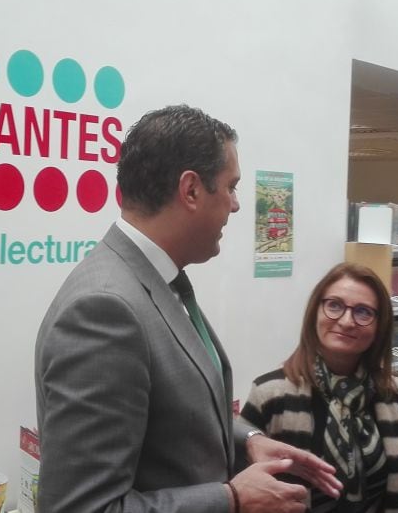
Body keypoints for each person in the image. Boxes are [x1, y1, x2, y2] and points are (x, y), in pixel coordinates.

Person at [34, 105, 342, 513]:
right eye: (231, 187)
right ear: (191, 190)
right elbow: (82, 508)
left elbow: (172, 415)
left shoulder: (156, 279)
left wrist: (249, 442)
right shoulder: (104, 310)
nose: (235, 205)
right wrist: (232, 498)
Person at [241, 262, 398, 513]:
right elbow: (245, 492)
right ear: (315, 312)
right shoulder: (269, 394)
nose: (346, 321)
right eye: (334, 305)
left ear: (379, 327)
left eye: (363, 312)